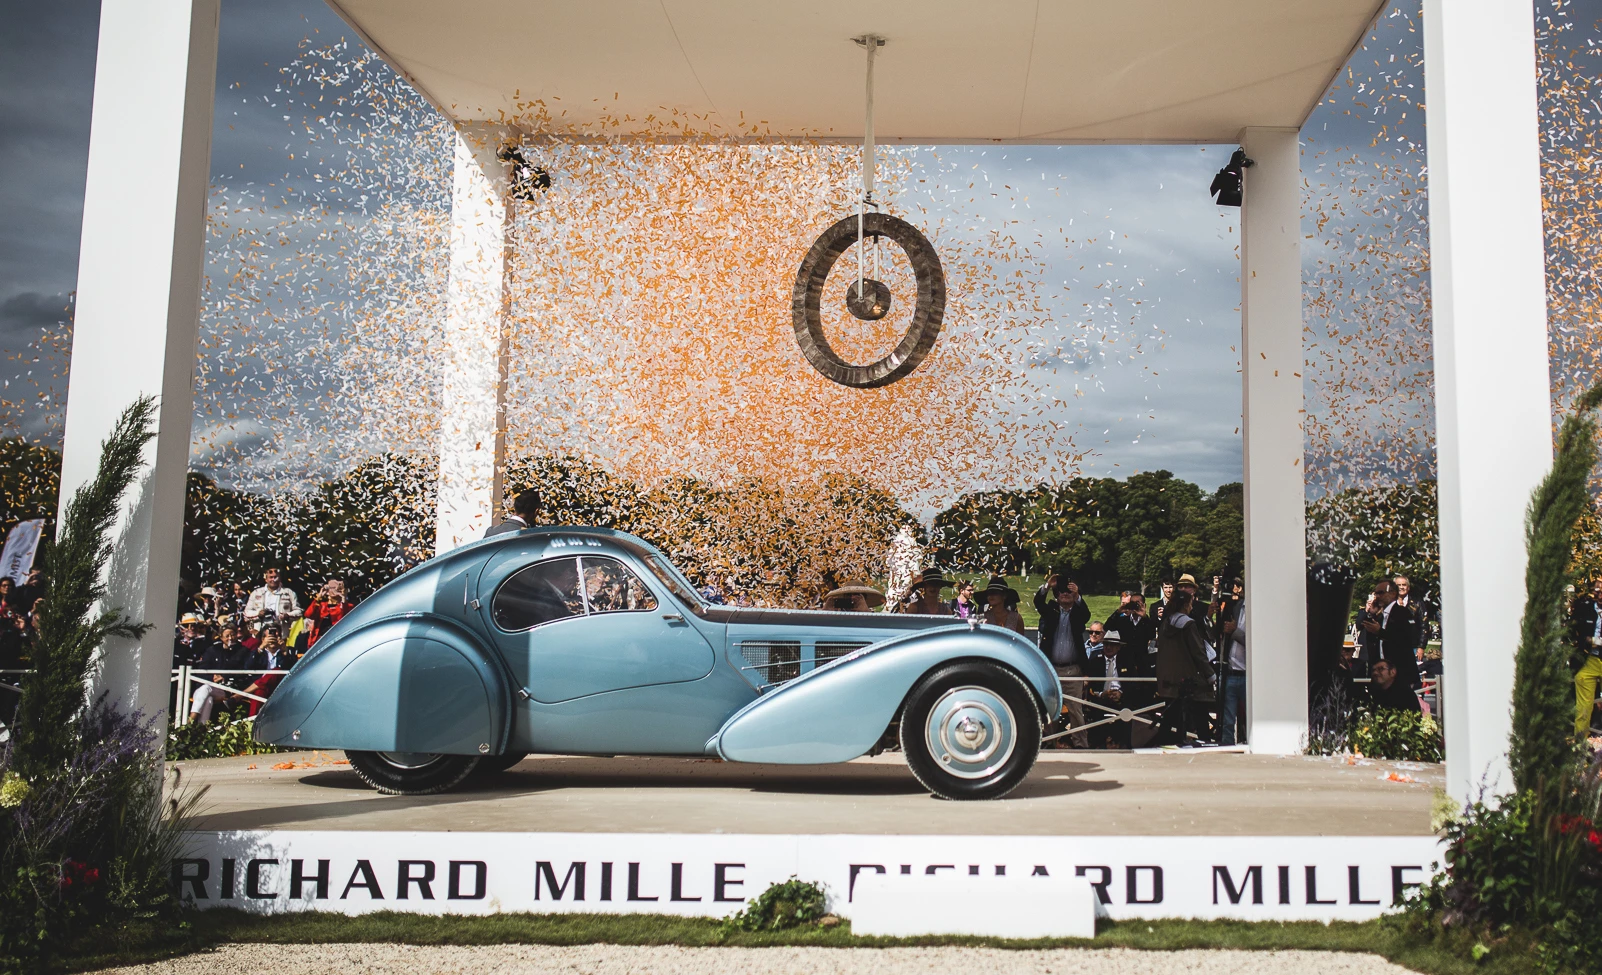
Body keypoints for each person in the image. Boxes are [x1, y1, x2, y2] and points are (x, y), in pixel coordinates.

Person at [1036, 573, 1091, 747]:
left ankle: (1080, 744)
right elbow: (1038, 603)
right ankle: (1049, 743)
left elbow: (1086, 615)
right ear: (1056, 595)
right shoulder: (1050, 610)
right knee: (1051, 709)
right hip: (1051, 669)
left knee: (1076, 710)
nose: (1064, 594)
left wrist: (1078, 596)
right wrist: (1047, 586)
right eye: (1060, 591)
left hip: (1072, 669)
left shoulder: (1078, 614)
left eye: (1068, 591)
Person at [1155, 589, 1216, 747]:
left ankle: (1167, 742)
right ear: (1185, 605)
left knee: (1169, 717)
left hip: (1167, 678)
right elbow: (1198, 652)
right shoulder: (1188, 625)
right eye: (1190, 603)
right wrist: (1210, 675)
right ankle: (1203, 740)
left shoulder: (1165, 624)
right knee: (1198, 712)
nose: (1191, 607)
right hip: (1187, 680)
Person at [1086, 629, 1142, 749]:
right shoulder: (1095, 661)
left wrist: (1121, 693)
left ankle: (1123, 744)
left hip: (1121, 698)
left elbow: (1134, 683)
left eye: (1112, 645)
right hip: (1100, 698)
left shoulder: (1127, 662)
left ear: (1118, 647)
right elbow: (1091, 685)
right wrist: (1102, 694)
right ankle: (1097, 744)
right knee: (1095, 710)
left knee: (1128, 710)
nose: (1109, 647)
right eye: (1106, 644)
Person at [188, 625, 255, 724]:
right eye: (227, 636)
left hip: (227, 689)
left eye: (232, 635)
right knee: (208, 698)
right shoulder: (213, 650)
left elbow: (243, 671)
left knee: (206, 689)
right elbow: (201, 670)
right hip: (209, 686)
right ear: (221, 637)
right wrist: (212, 677)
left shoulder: (243, 651)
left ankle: (190, 721)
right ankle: (202, 727)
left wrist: (223, 676)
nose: (230, 638)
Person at [1359, 580, 1418, 689]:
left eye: (1381, 593)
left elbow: (1405, 639)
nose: (1377, 596)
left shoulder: (1402, 612)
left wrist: (1380, 632)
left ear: (1393, 593)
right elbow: (1363, 629)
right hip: (1381, 669)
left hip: (1398, 670)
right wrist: (1371, 614)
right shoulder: (1380, 616)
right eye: (1375, 593)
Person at [1570, 579, 1602, 736]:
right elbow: (1576, 631)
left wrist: (1595, 640)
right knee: (1583, 708)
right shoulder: (1587, 608)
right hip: (1590, 659)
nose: (1598, 594)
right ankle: (1580, 747)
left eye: (1601, 591)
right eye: (1596, 591)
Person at [1217, 586, 1247, 746]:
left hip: (1247, 674)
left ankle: (1249, 744)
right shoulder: (1236, 608)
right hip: (1231, 671)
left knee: (1248, 717)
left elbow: (1255, 641)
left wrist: (1235, 631)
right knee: (1228, 719)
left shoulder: (1258, 611)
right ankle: (1227, 747)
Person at [1106, 593, 1157, 671]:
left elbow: (1151, 635)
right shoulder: (1123, 621)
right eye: (1132, 603)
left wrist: (1145, 617)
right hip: (1124, 661)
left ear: (1144, 605)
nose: (1135, 606)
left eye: (1137, 603)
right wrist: (1118, 612)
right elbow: (1107, 627)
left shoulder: (1146, 622)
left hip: (1141, 662)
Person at [244, 568, 302, 635]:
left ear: (279, 578)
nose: (273, 580)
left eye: (275, 577)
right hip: (260, 633)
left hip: (282, 632)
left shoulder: (289, 593)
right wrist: (258, 613)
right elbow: (246, 613)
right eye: (271, 577)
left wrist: (287, 615)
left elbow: (299, 612)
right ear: (266, 579)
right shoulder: (256, 593)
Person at [301, 579, 354, 649]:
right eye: (332, 587)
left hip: (335, 642)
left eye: (339, 587)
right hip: (318, 643)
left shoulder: (348, 606)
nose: (336, 589)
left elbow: (345, 618)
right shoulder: (322, 606)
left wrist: (343, 598)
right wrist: (319, 597)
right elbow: (308, 614)